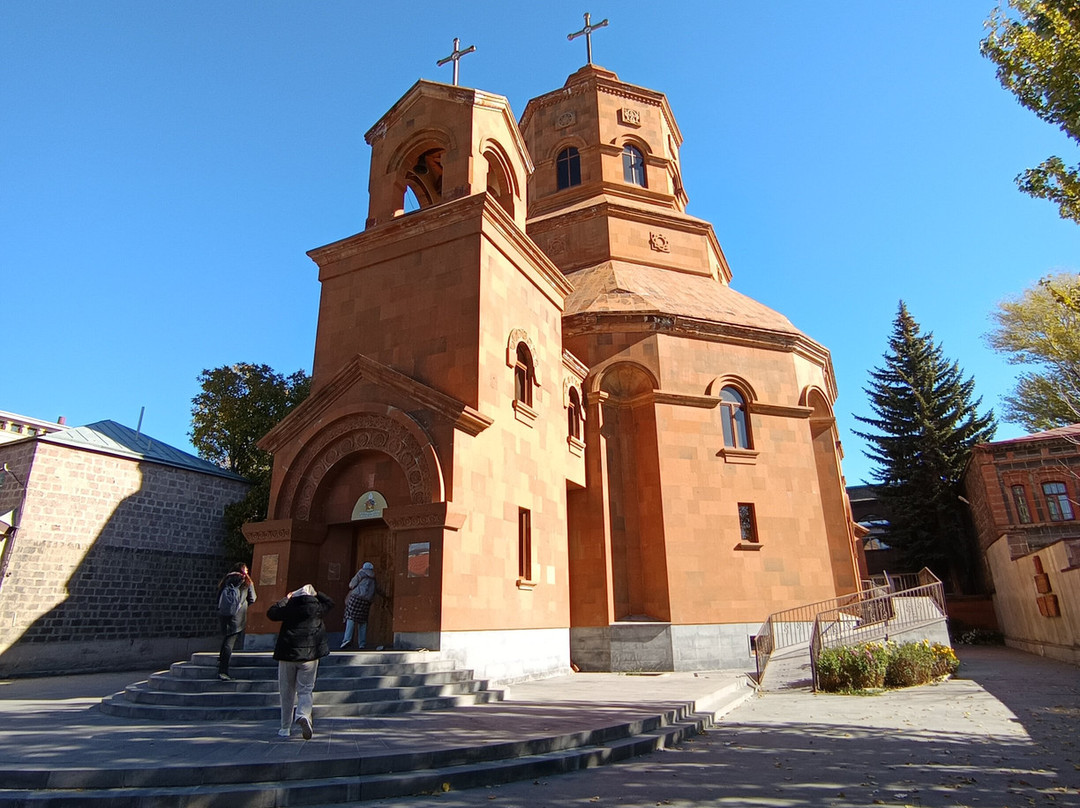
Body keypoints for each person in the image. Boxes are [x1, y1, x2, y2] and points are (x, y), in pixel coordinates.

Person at [266, 584, 334, 739]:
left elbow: (271, 613)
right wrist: (318, 594)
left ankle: (285, 728)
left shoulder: (290, 608)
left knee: (286, 691)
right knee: (306, 689)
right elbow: (331, 603)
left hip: (287, 655)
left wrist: (286, 599)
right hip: (309, 657)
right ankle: (303, 714)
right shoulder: (317, 609)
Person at [216, 562, 256, 681]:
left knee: (226, 638)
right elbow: (252, 598)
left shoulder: (226, 580)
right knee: (230, 641)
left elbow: (218, 597)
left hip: (223, 613)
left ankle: (221, 660)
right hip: (238, 615)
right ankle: (223, 670)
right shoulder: (246, 582)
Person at [341, 562, 377, 650]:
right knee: (363, 621)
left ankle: (347, 639)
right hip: (366, 601)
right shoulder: (374, 578)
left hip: (356, 597)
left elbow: (351, 585)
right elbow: (377, 589)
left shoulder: (361, 573)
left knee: (350, 618)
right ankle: (362, 643)